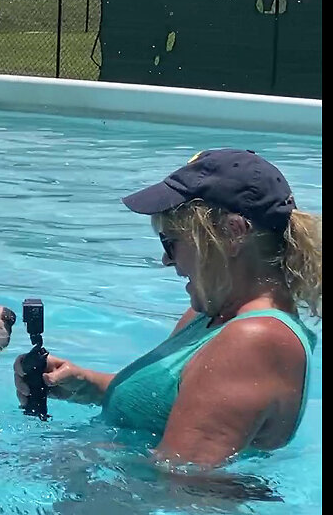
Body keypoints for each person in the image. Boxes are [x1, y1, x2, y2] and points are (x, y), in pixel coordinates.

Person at [16, 148, 321, 469]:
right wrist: (87, 384)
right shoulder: (211, 318)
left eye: (170, 242)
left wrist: (63, 464)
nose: (166, 260)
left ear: (232, 233)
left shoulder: (255, 340)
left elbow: (181, 483)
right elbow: (170, 405)